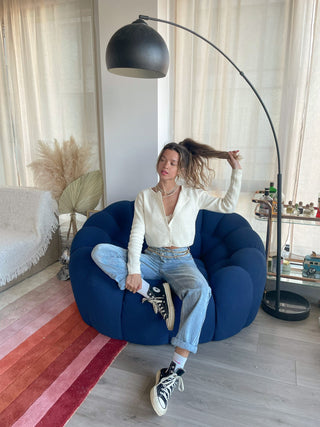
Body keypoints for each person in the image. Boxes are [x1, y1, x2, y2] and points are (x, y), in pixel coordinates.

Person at [91, 138, 242, 416]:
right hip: (152, 258)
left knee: (202, 291)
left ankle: (173, 372)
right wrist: (135, 271)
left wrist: (236, 171)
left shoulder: (193, 194)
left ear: (180, 168)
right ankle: (153, 293)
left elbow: (229, 205)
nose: (166, 165)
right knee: (100, 252)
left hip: (181, 261)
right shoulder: (144, 197)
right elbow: (136, 235)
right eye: (163, 160)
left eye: (172, 163)